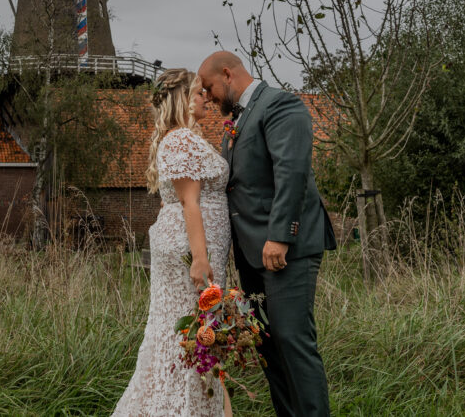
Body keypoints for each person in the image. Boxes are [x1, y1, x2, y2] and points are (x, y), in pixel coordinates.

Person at [198, 51, 337, 417]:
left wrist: (280, 235)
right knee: (268, 346)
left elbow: (291, 171)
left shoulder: (281, 105)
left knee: (293, 341)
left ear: (227, 74)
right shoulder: (236, 122)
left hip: (284, 250)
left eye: (209, 88)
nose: (208, 97)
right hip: (252, 255)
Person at [113, 68, 232, 417]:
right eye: (198, 93)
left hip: (192, 248)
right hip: (190, 253)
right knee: (191, 337)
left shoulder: (182, 138)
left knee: (194, 336)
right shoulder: (179, 139)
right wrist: (199, 258)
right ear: (181, 99)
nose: (205, 98)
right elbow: (188, 202)